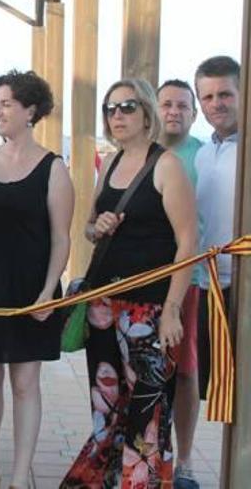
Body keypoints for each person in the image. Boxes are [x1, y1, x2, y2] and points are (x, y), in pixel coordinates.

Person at [61, 78, 197, 488]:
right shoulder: (114, 162)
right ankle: (106, 478)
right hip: (105, 303)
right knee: (105, 404)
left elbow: (188, 240)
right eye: (110, 108)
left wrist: (172, 309)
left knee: (147, 411)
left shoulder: (166, 165)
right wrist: (95, 227)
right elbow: (89, 227)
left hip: (148, 308)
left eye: (127, 107)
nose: (117, 115)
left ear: (146, 113)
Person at [0, 70, 73, 489]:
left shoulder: (54, 168)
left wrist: (48, 292)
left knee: (25, 382)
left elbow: (62, 239)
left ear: (30, 110)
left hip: (30, 289)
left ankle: (21, 474)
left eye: (6, 103)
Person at [156, 78, 204, 489]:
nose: (173, 111)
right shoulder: (138, 155)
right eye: (166, 104)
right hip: (144, 283)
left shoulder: (203, 158)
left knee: (185, 371)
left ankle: (185, 459)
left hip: (190, 282)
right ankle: (153, 455)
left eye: (181, 105)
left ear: (193, 113)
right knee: (149, 374)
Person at [194, 55, 241, 412]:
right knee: (212, 389)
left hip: (245, 288)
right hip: (209, 288)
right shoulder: (203, 155)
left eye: (225, 94)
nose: (216, 104)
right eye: (207, 97)